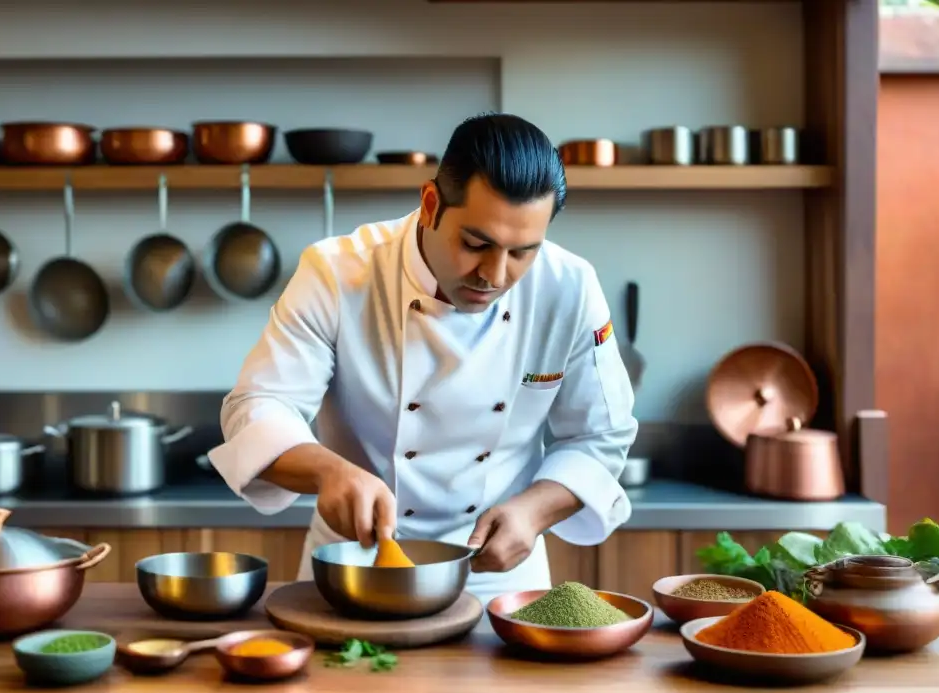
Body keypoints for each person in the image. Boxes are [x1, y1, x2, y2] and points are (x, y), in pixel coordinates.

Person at [207, 112, 639, 603]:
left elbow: (601, 435)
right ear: (431, 203)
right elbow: (257, 406)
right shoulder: (337, 272)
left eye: (524, 252)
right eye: (477, 244)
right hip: (355, 565)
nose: (495, 275)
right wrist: (328, 471)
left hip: (500, 575)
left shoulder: (570, 287)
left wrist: (536, 510)